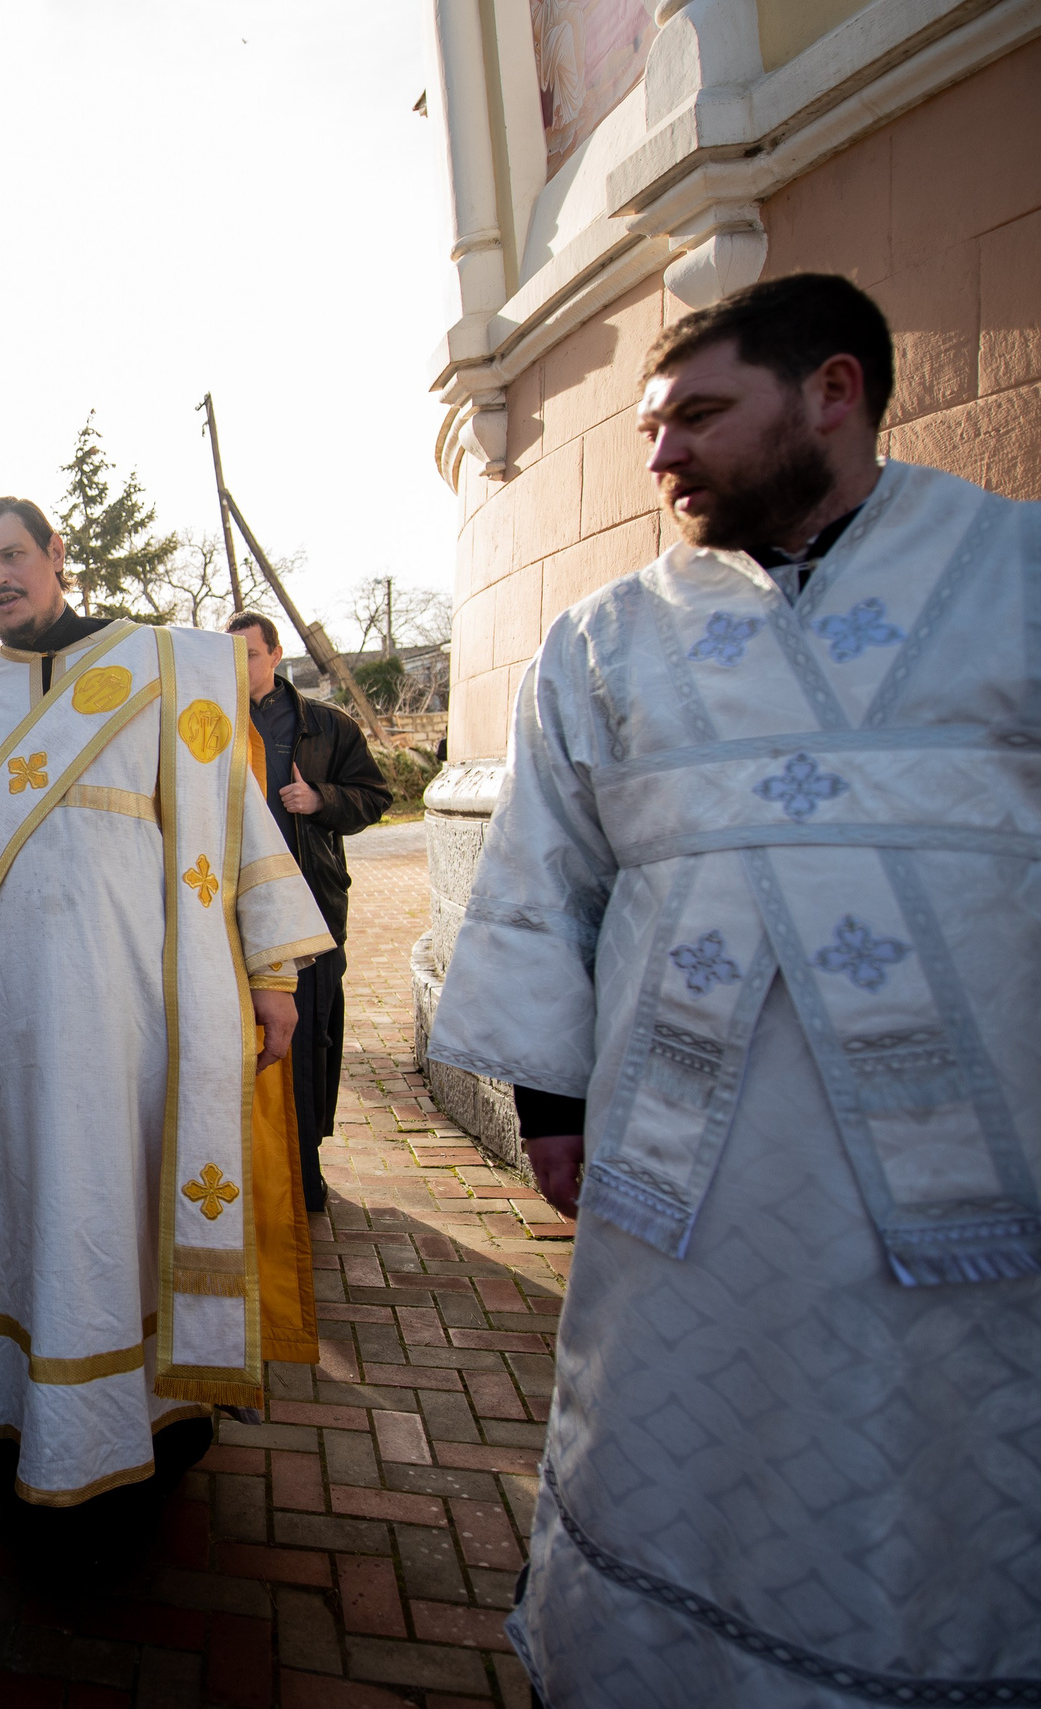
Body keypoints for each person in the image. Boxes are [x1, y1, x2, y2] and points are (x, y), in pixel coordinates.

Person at [428, 274, 1040, 1704]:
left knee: (942, 1448)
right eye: (651, 426)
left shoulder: (1012, 574)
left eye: (699, 415)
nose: (660, 458)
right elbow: (540, 882)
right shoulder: (602, 639)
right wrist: (551, 1104)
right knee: (675, 1425)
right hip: (678, 1170)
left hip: (982, 1159)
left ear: (835, 391)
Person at [0, 496, 330, 1513]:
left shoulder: (166, 666)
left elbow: (233, 815)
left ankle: (158, 1406)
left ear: (55, 555)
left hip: (136, 1007)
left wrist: (272, 969)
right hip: (6, 1024)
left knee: (131, 1190)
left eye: (12, 554)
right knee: (26, 1201)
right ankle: (34, 1413)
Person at [224, 612, 391, 1211]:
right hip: (230, 911)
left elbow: (374, 796)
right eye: (226, 654)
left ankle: (305, 1165)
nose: (236, 666)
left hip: (310, 908)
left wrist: (320, 799)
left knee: (310, 1033)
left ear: (275, 655)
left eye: (247, 654)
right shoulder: (207, 725)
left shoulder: (324, 726)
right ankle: (248, 1168)